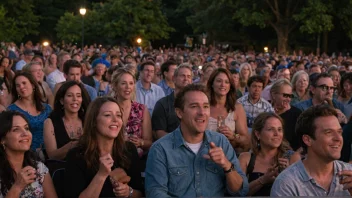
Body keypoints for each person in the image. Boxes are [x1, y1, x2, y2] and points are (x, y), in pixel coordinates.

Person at [145, 84, 249, 197]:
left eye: (205, 106)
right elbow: (155, 193)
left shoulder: (221, 142)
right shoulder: (161, 149)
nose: (202, 112)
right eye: (194, 106)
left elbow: (241, 190)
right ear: (179, 113)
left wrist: (227, 166)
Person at [64, 97, 143, 197]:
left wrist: (129, 192)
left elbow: (140, 193)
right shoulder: (76, 155)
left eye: (118, 115)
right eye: (107, 115)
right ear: (94, 121)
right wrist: (101, 175)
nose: (115, 120)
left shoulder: (129, 150)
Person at [271, 105, 352, 196]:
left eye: (339, 132)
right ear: (307, 140)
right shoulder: (287, 183)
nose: (338, 138)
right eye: (328, 132)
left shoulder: (350, 174)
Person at [238, 112, 300, 196]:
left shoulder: (292, 157)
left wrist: (287, 174)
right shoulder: (245, 158)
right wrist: (263, 180)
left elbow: (300, 191)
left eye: (279, 129)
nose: (277, 134)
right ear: (258, 134)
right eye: (271, 129)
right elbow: (238, 193)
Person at [0, 111, 57, 197]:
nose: (25, 133)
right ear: (2, 140)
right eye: (16, 129)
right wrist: (17, 187)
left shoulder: (39, 168)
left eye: (26, 128)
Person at [206, 68, 250, 154]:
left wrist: (233, 136)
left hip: (227, 155)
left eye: (226, 82)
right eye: (219, 81)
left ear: (230, 86)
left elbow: (246, 140)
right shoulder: (204, 106)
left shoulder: (237, 108)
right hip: (204, 154)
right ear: (212, 84)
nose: (223, 85)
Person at [111, 68, 152, 158]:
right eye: (123, 83)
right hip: (111, 157)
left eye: (131, 83)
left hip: (135, 159)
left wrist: (141, 142)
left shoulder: (142, 109)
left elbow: (149, 142)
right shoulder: (107, 108)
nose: (128, 87)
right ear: (115, 85)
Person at [43, 81, 90, 160]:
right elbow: (52, 155)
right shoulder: (50, 122)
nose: (75, 99)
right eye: (70, 95)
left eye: (78, 96)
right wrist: (72, 145)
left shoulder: (88, 119)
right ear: (61, 100)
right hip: (61, 168)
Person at [8, 72, 52, 151]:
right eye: (18, 85)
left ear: (32, 85)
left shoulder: (47, 108)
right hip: (26, 154)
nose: (21, 87)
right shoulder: (11, 110)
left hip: (49, 152)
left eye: (24, 83)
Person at [152, 63, 193, 139]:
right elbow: (159, 133)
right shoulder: (162, 104)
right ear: (174, 78)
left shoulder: (195, 104)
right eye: (182, 76)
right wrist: (181, 140)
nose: (186, 79)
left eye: (189, 76)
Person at [270, 79, 302, 150]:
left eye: (290, 96)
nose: (288, 99)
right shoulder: (265, 111)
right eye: (285, 95)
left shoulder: (297, 114)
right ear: (273, 95)